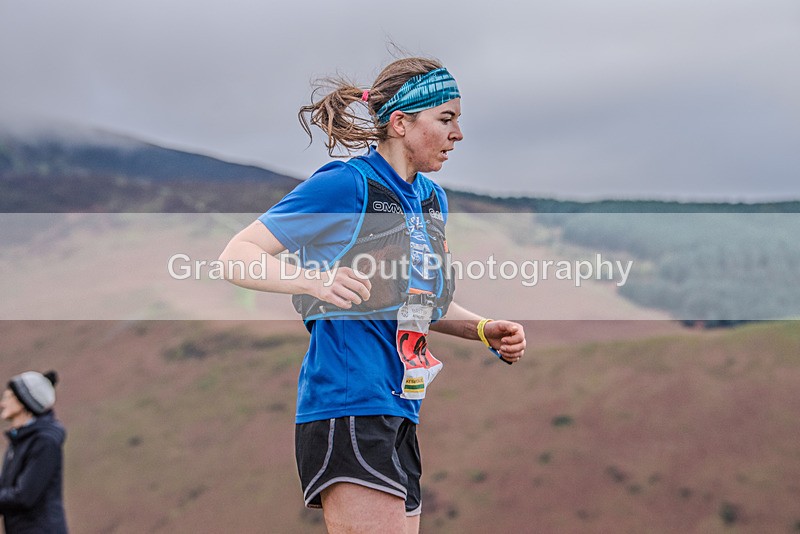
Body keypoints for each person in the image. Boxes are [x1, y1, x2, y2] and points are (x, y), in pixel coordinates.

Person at [220, 56, 526, 533]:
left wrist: (482, 329)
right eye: (446, 118)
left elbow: (416, 302)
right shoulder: (346, 185)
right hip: (349, 403)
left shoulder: (431, 199)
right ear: (401, 123)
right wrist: (315, 281)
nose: (458, 134)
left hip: (401, 409)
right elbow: (237, 256)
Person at [0, 370, 68, 533]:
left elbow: (24, 496)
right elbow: (5, 487)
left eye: (8, 397)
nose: (2, 403)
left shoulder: (44, 442)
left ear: (23, 402)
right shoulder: (19, 441)